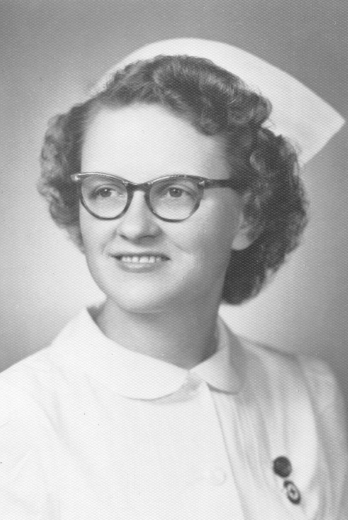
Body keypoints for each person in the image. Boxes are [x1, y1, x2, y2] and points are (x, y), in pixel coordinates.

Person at [0, 38, 347, 519]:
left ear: (249, 215)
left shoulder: (312, 393)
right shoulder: (16, 418)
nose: (135, 226)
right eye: (105, 190)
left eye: (176, 191)